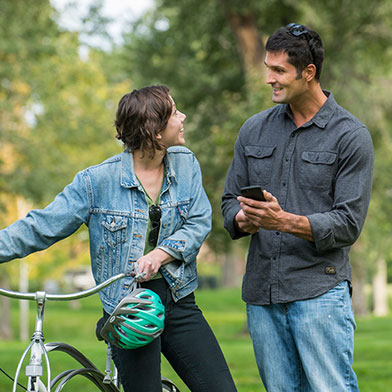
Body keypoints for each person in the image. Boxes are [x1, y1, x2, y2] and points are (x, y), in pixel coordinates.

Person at [0, 85, 237, 392]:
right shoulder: (95, 182)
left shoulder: (186, 162)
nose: (183, 117)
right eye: (174, 113)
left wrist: (160, 254)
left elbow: (198, 221)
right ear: (154, 130)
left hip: (179, 301)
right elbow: (39, 227)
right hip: (127, 310)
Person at [221, 23, 373, 391]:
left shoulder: (351, 136)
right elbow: (228, 203)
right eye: (267, 68)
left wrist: (283, 221)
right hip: (262, 297)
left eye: (279, 71)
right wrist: (244, 219)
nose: (268, 79)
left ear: (308, 73)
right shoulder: (253, 130)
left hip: (319, 294)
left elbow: (348, 224)